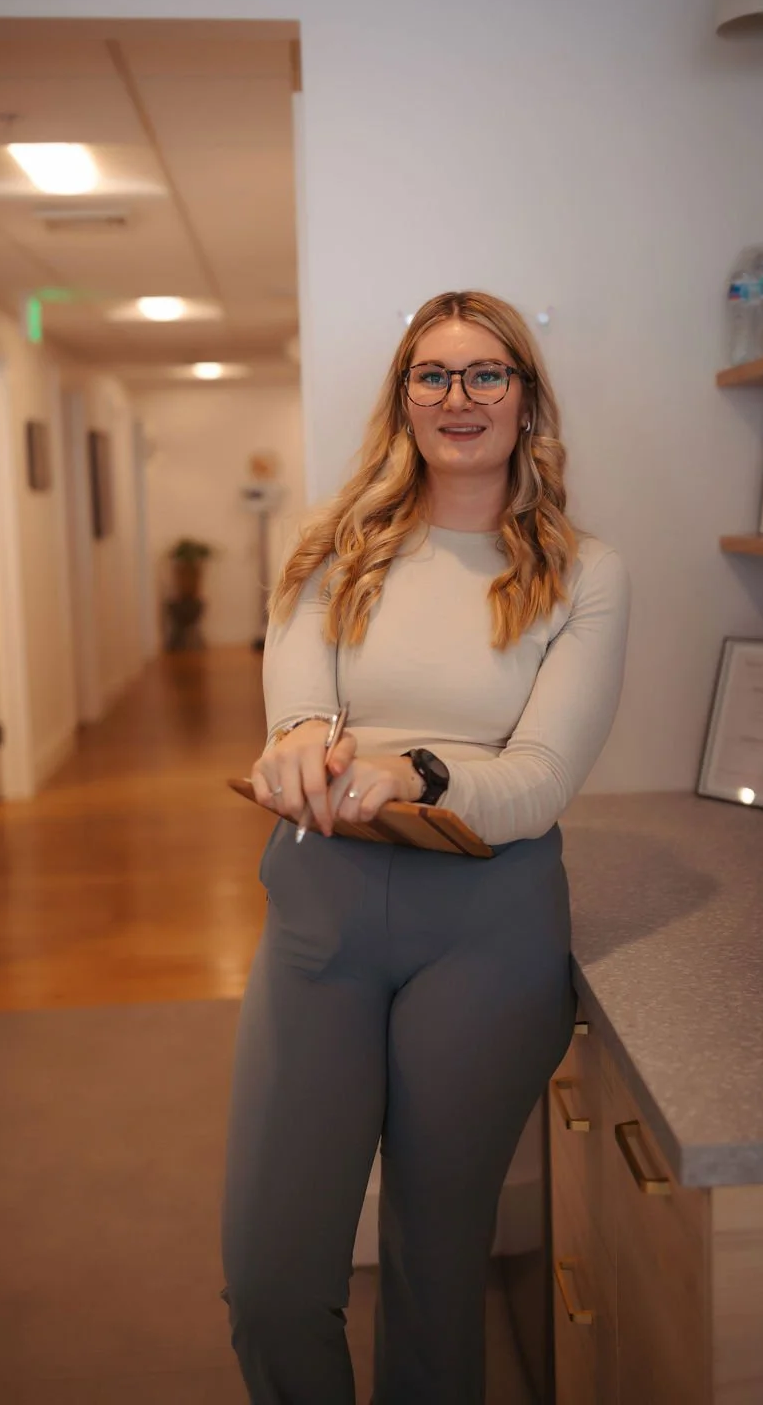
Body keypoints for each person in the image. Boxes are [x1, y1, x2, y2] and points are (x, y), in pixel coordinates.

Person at [221, 290, 630, 1404]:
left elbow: (540, 777)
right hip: (324, 908)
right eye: (433, 374)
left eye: (487, 372)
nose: (460, 396)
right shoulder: (329, 549)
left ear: (526, 397)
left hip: (488, 926)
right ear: (403, 399)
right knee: (270, 1283)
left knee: (435, 1275)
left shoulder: (584, 573)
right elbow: (299, 716)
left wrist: (419, 772)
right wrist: (295, 751)